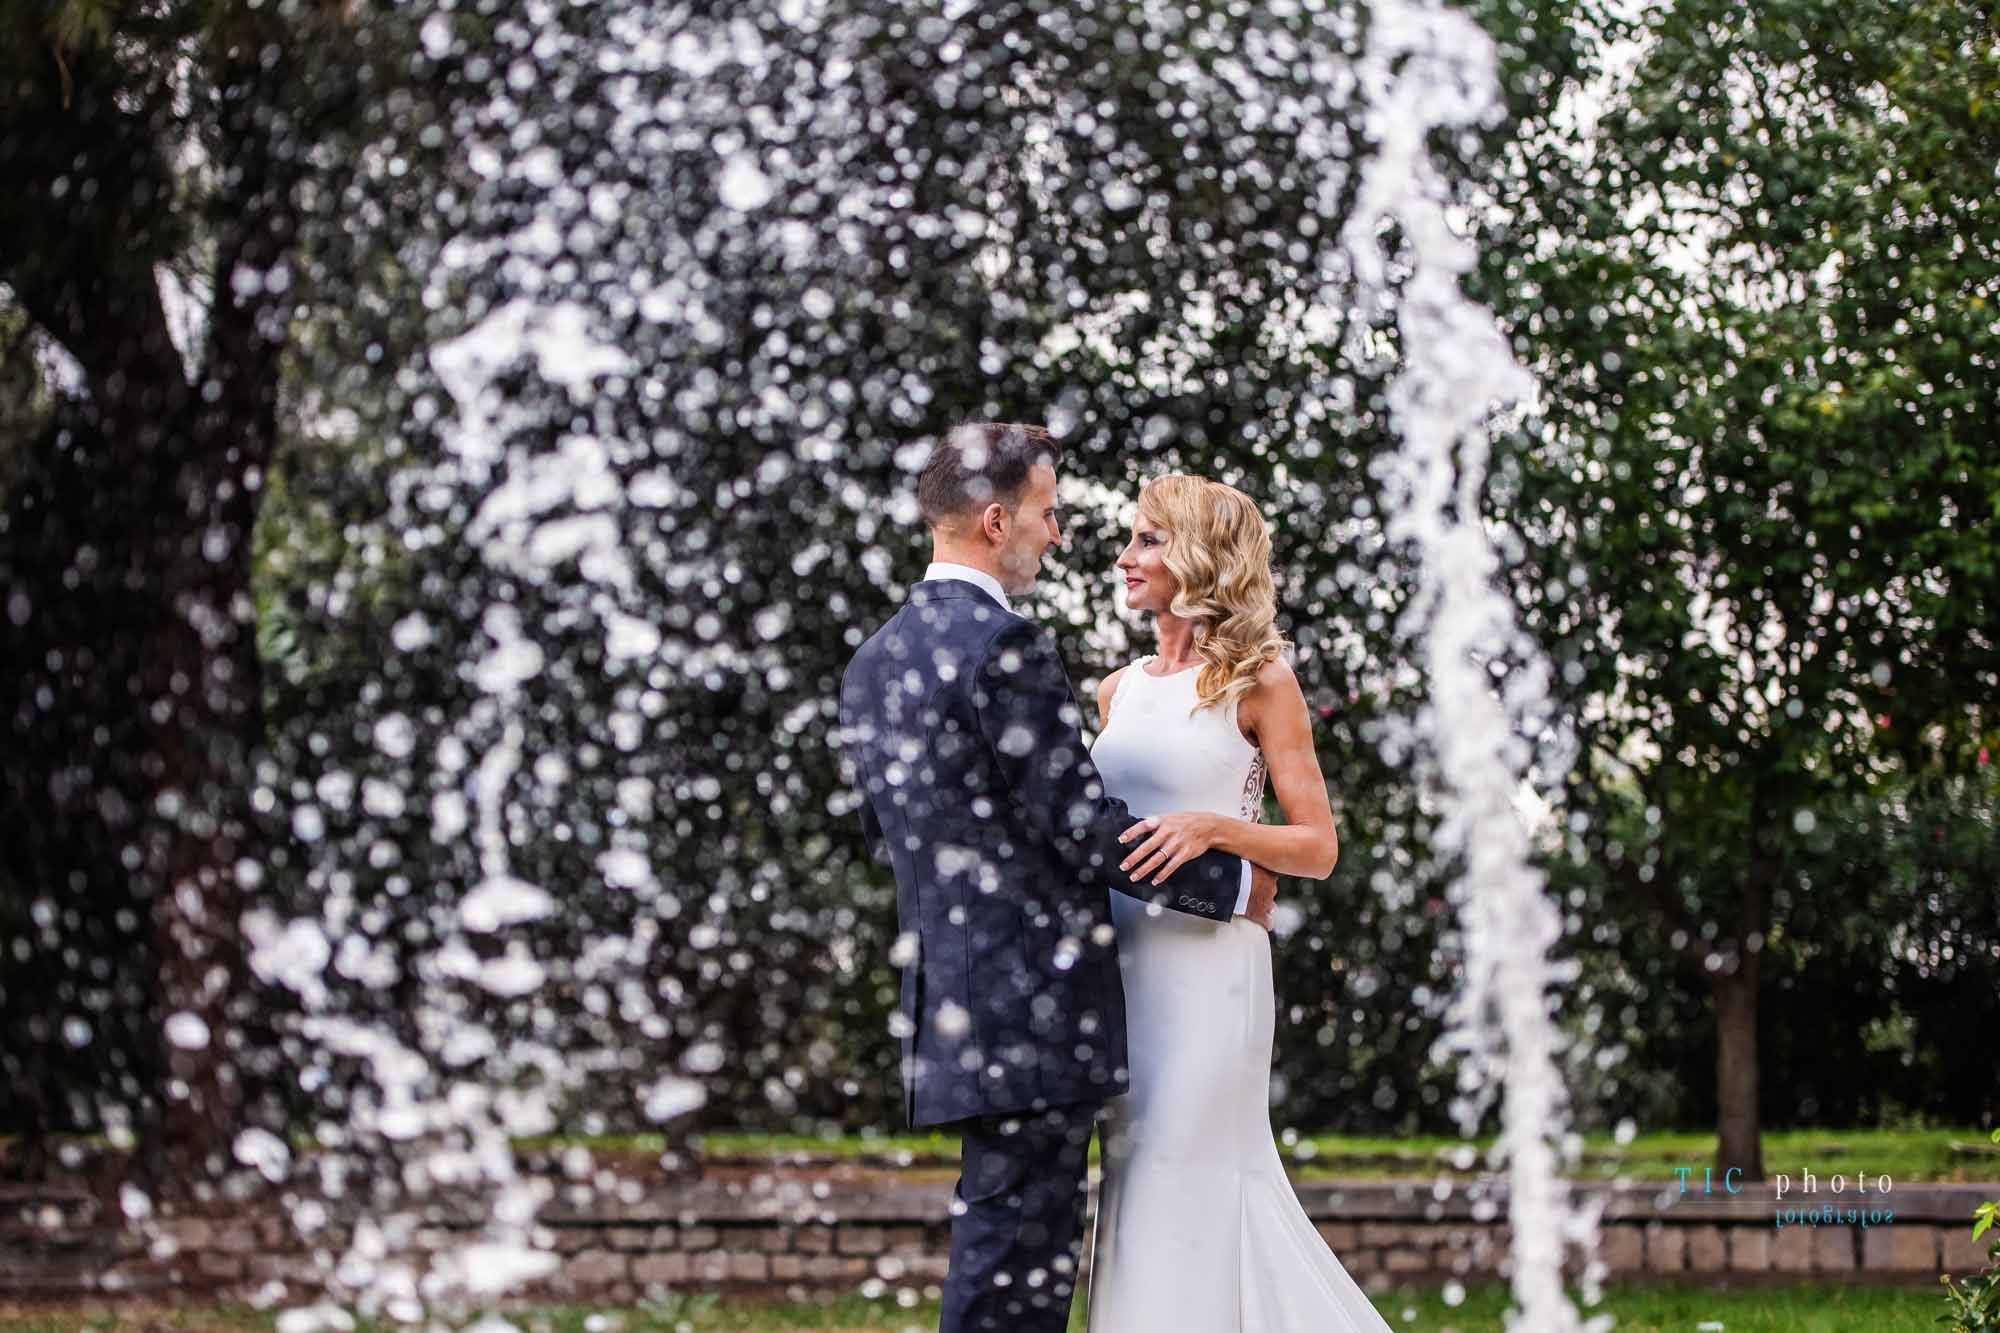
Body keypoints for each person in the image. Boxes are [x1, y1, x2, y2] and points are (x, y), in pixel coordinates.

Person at [837, 423, 1279, 1333]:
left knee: (998, 1254)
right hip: (1035, 1010)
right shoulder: (1004, 643)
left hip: (954, 1000)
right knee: (1017, 1275)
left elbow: (894, 834)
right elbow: (1079, 825)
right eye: (1046, 512)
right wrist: (1234, 887)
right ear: (996, 521)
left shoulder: (874, 659)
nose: (1058, 533)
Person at [1083, 472, 1392, 1332]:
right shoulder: (1116, 690)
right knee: (1135, 1178)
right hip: (1125, 971)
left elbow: (1318, 846)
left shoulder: (1259, 681)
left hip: (1211, 974)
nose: (1125, 556)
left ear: (1201, 555)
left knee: (1192, 1172)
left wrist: (1217, 828)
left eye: (1148, 539)